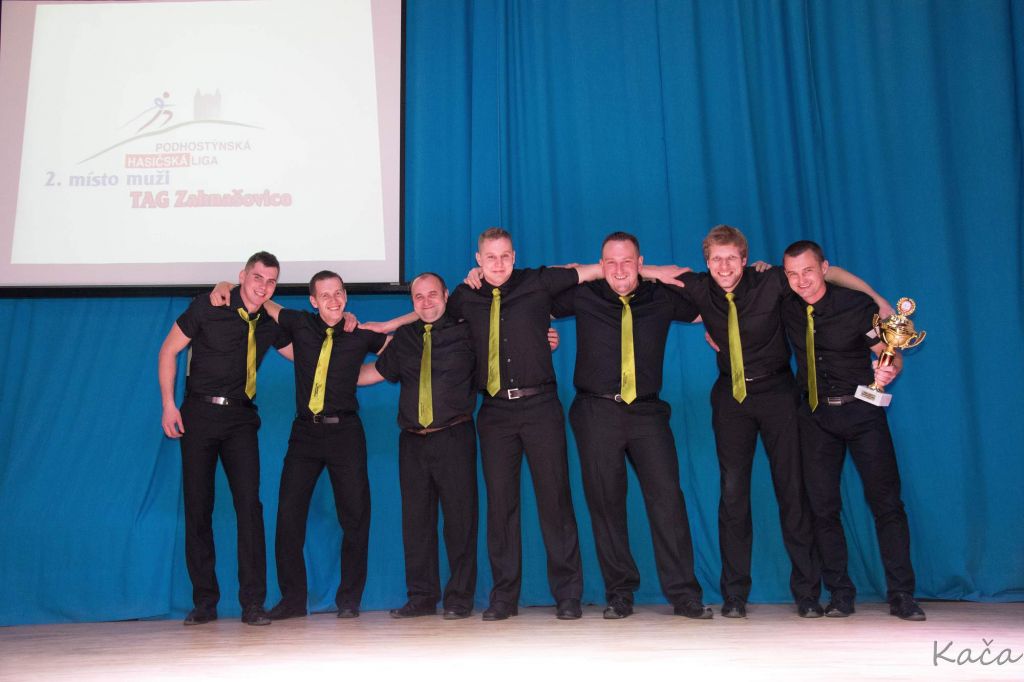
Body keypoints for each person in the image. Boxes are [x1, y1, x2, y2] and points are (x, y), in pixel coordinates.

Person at [655, 225, 889, 618]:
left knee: (793, 492)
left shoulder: (771, 280)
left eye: (732, 258)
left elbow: (829, 273)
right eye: (716, 259)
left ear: (745, 260)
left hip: (778, 394)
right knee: (733, 495)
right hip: (731, 398)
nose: (724, 266)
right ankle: (734, 595)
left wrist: (876, 299)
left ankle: (807, 593)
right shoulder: (699, 288)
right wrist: (642, 270)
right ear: (706, 262)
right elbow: (656, 274)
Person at [372, 228, 599, 620]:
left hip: (540, 405)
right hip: (494, 413)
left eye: (505, 256)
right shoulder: (465, 296)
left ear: (514, 256)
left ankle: (568, 594)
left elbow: (592, 270)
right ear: (478, 260)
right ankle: (503, 597)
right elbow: (430, 309)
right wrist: (388, 326)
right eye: (490, 257)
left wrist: (652, 272)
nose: (498, 264)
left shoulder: (537, 282)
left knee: (555, 500)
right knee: (500, 506)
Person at [551, 232, 713, 619]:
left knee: (668, 501)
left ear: (641, 263)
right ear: (600, 265)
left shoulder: (661, 298)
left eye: (628, 262)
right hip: (596, 411)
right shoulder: (584, 295)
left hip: (647, 413)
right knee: (606, 504)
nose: (620, 270)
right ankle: (619, 593)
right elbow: (537, 287)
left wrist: (655, 274)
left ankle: (684, 594)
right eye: (611, 262)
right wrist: (588, 272)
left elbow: (707, 304)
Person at [212, 271, 388, 619]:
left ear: (345, 295)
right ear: (313, 301)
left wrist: (358, 375)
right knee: (289, 516)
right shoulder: (300, 324)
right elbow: (264, 300)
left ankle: (349, 600)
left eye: (338, 293)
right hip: (305, 433)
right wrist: (226, 285)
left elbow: (399, 352)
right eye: (325, 295)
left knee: (355, 517)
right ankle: (293, 600)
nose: (333, 300)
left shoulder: (360, 335)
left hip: (346, 432)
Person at [780, 240, 926, 621]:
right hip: (815, 417)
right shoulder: (787, 305)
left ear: (824, 268)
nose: (801, 280)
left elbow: (890, 357)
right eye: (792, 274)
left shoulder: (856, 307)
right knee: (822, 509)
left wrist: (889, 370)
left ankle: (902, 594)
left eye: (808, 271)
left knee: (887, 504)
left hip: (863, 413)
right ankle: (840, 594)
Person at [158, 251, 289, 626]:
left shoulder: (270, 323)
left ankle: (253, 603)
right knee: (198, 507)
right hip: (198, 414)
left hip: (241, 420)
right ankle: (205, 602)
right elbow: (169, 350)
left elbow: (306, 352)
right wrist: (168, 405)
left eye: (271, 281)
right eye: (257, 277)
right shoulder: (208, 305)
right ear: (242, 276)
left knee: (250, 507)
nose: (263, 286)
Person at [357, 272, 479, 619]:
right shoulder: (405, 338)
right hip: (412, 442)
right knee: (416, 523)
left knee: (460, 522)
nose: (426, 302)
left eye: (432, 294)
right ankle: (422, 597)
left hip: (454, 436)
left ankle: (459, 598)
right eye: (418, 297)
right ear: (412, 302)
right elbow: (373, 374)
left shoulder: (467, 331)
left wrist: (545, 338)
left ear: (446, 295)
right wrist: (328, 370)